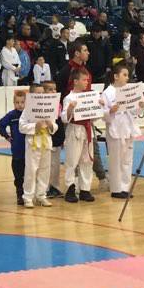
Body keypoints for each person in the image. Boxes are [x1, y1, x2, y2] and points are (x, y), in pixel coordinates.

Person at [61, 67, 97, 203]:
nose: (87, 82)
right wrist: (70, 108)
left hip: (87, 130)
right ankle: (70, 188)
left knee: (87, 161)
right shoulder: (69, 98)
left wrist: (98, 107)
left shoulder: (89, 96)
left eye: (87, 80)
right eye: (84, 80)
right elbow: (64, 118)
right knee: (72, 160)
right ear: (75, 81)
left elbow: (94, 117)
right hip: (74, 129)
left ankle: (85, 189)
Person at [102, 65, 138, 199]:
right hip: (115, 129)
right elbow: (102, 114)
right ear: (116, 76)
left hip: (128, 128)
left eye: (128, 75)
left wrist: (140, 107)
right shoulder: (107, 92)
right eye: (124, 75)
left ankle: (125, 187)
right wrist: (110, 111)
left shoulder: (128, 91)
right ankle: (116, 189)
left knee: (127, 160)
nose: (127, 78)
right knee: (116, 160)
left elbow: (134, 111)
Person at [20, 83, 57, 208]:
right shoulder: (27, 110)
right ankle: (28, 197)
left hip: (46, 141)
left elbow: (55, 125)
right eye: (37, 94)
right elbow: (21, 126)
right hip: (33, 142)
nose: (41, 95)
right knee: (31, 170)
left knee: (45, 170)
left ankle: (41, 195)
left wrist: (51, 125)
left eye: (42, 93)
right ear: (31, 95)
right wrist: (35, 126)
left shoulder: (49, 107)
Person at [0, 89, 29, 206]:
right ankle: (19, 194)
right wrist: (6, 136)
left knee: (29, 174)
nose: (20, 105)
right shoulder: (11, 115)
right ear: (14, 103)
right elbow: (1, 124)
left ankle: (29, 193)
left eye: (22, 102)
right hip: (17, 150)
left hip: (29, 149)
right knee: (18, 175)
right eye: (17, 102)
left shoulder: (29, 114)